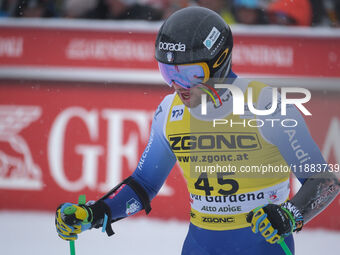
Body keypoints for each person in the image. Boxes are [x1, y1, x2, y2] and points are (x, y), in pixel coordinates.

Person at [55, 7, 340, 254]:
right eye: (168, 73)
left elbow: (324, 182)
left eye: (190, 74)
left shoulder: (265, 103)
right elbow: (143, 185)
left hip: (264, 248)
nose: (178, 85)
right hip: (200, 247)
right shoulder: (169, 111)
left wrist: (289, 215)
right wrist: (95, 213)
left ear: (219, 61)